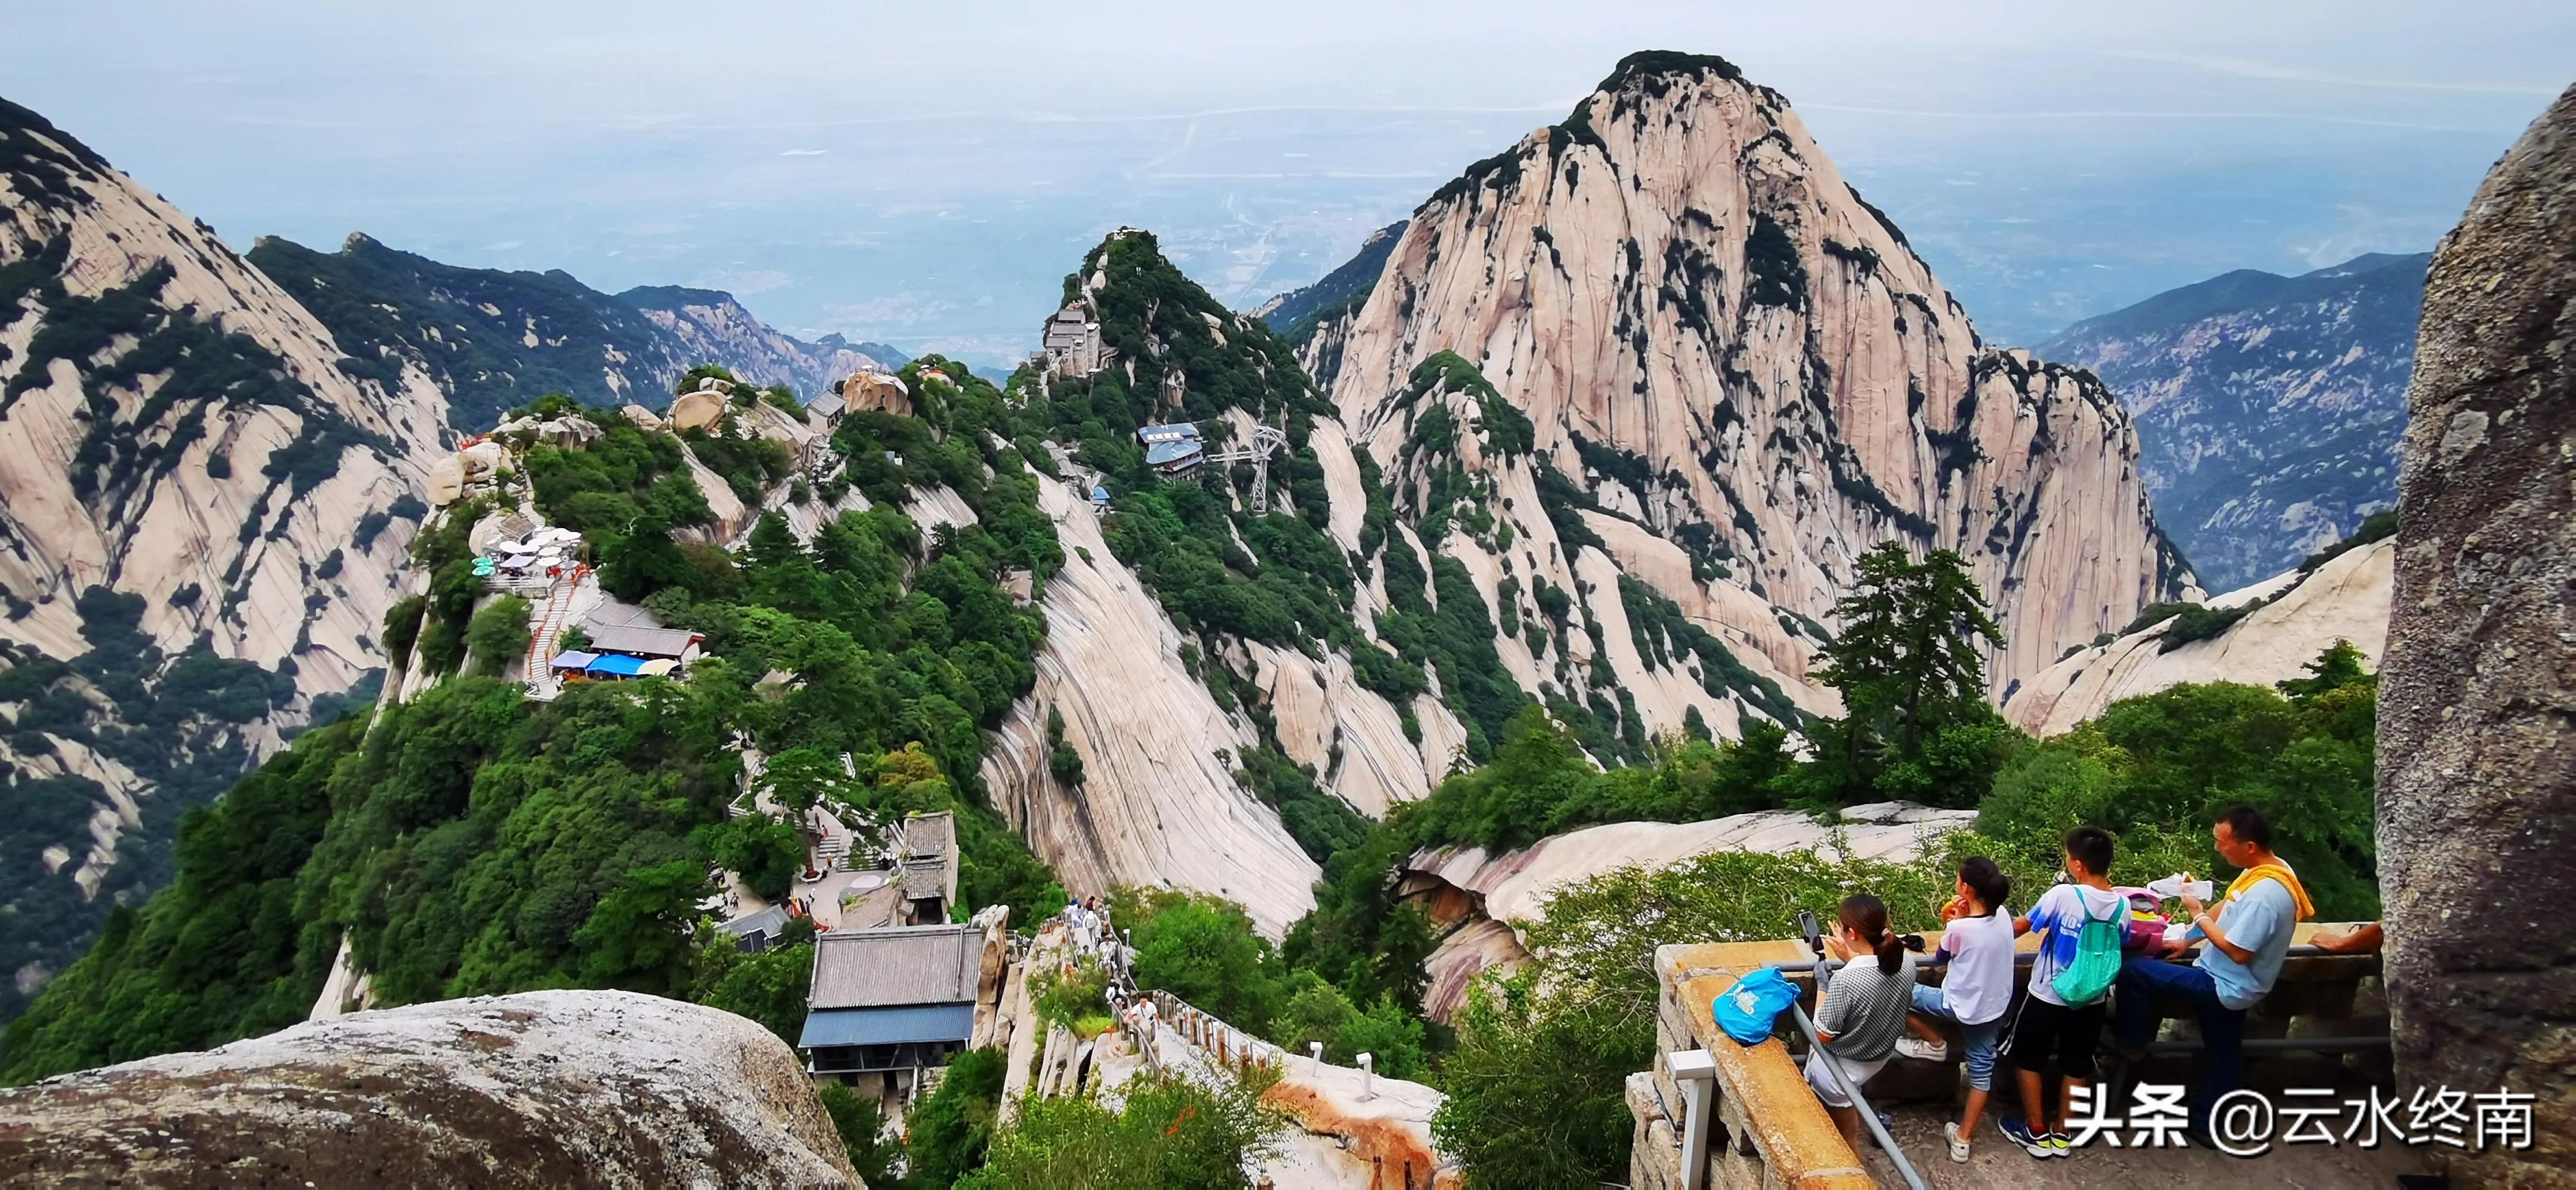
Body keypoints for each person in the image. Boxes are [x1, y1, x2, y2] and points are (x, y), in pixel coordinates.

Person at [2113, 805, 2313, 1139]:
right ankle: (2209, 1123)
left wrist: (2198, 914)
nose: (2218, 848)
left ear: (2248, 845)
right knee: (2225, 1052)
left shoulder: (2267, 894)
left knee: (2134, 971)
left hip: (2225, 983)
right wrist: (2188, 938)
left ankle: (2133, 1042)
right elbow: (2229, 906)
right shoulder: (2269, 869)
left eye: (2223, 842)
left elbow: (2238, 951)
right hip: (2240, 983)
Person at [2000, 826, 2128, 1160]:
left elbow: (2021, 928)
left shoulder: (2063, 896)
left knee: (2028, 1059)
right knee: (2078, 1064)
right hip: (2092, 999)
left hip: (2048, 994)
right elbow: (2122, 941)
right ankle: (2063, 1133)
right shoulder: (2122, 906)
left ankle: (2035, 1130)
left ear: (2078, 865)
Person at [1896, 856, 2015, 1163]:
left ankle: (1934, 1044)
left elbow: (1940, 956)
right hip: (1992, 1007)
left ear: (1966, 888)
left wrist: (1954, 922)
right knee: (1981, 1072)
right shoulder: (2003, 915)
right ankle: (1963, 1138)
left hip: (1957, 1003)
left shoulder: (1961, 928)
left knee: (1895, 992)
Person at [1807, 893, 1919, 1148]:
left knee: (1846, 1140)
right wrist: (1850, 957)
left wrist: (1823, 986)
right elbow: (1877, 979)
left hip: (1840, 1070)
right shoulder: (1907, 963)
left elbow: (1823, 1034)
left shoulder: (1846, 980)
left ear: (1853, 934)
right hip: (1877, 1057)